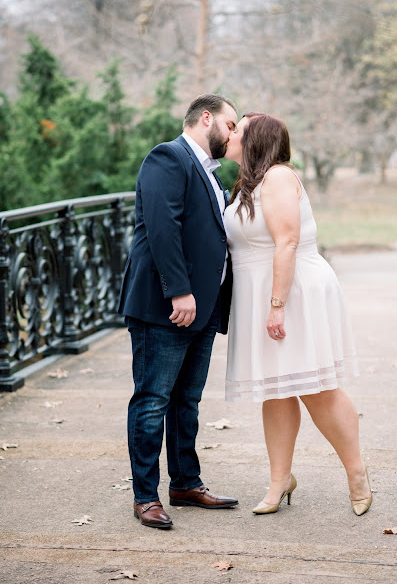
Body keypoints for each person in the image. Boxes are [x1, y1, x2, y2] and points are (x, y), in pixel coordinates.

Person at [223, 113, 372, 516]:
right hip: (260, 293)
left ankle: (357, 474)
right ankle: (279, 481)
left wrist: (276, 305)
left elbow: (286, 243)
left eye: (238, 128)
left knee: (317, 389)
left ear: (256, 141)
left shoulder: (278, 178)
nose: (231, 133)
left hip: (293, 292)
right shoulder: (247, 184)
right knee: (275, 390)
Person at [117, 94, 239, 529]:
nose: (232, 133)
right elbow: (163, 227)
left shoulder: (208, 172)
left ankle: (185, 482)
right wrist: (179, 292)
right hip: (166, 307)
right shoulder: (167, 157)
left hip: (202, 309)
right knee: (152, 400)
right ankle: (145, 495)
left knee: (186, 401)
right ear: (205, 118)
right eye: (230, 124)